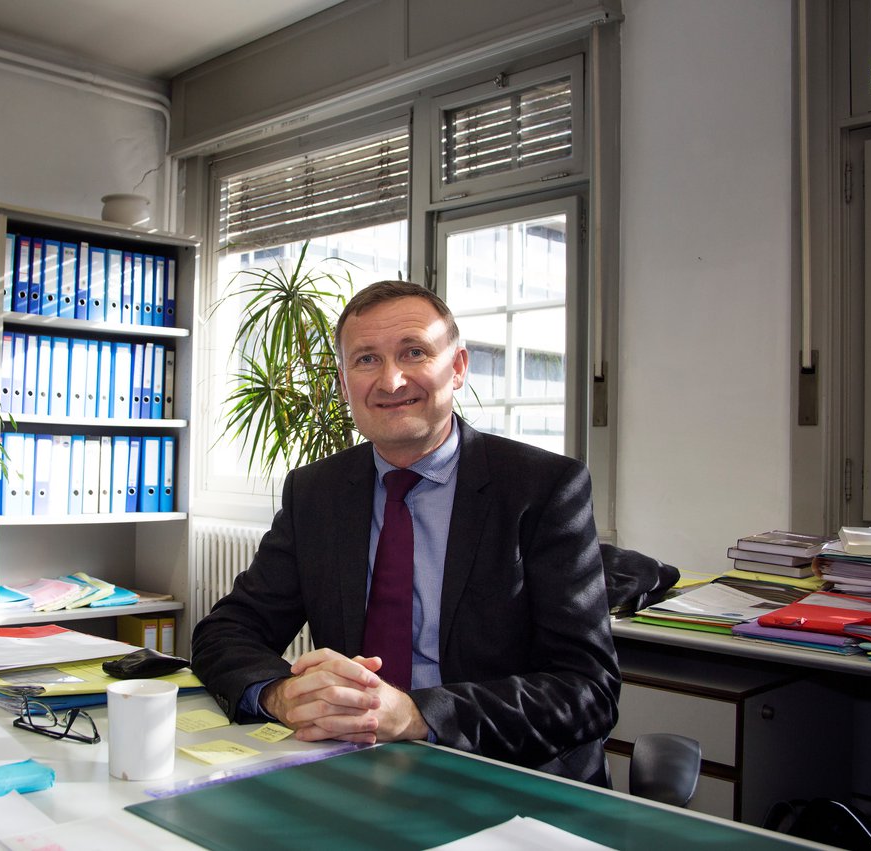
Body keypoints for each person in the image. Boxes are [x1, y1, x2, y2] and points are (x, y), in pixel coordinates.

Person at [191, 280, 620, 785]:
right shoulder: (317, 492)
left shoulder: (543, 488)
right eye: (366, 359)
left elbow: (587, 690)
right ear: (344, 380)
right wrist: (278, 694)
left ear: (457, 368)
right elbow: (227, 631)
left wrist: (417, 715)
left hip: (507, 775)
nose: (391, 381)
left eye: (413, 352)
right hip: (355, 768)